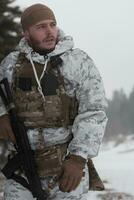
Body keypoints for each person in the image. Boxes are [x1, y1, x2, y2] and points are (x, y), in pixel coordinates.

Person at [0, 3, 108, 200]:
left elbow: (94, 112)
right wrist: (1, 114)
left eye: (52, 24)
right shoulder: (11, 63)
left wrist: (77, 158)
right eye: (41, 27)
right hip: (22, 167)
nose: (50, 32)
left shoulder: (78, 62)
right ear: (26, 33)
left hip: (66, 168)